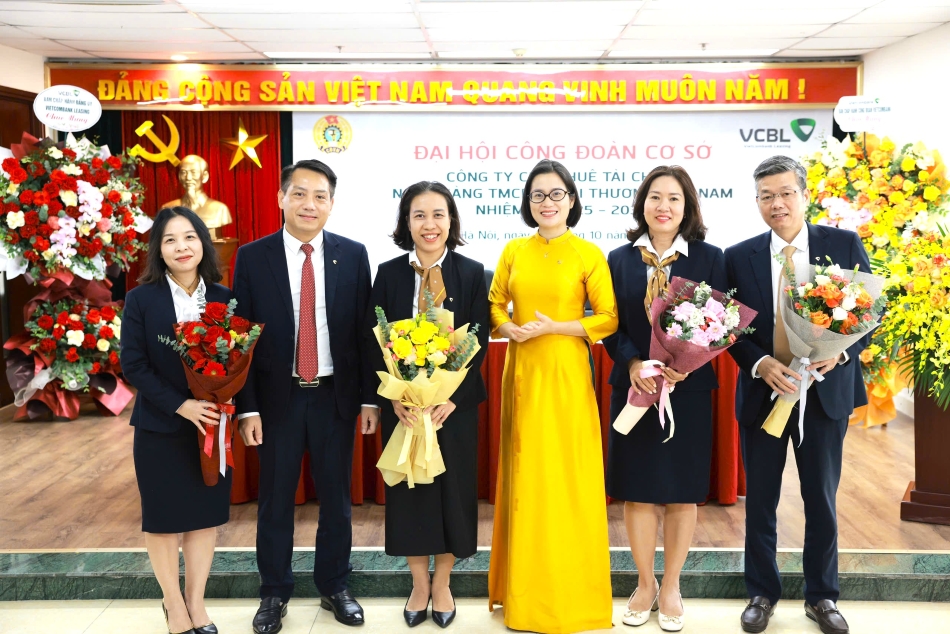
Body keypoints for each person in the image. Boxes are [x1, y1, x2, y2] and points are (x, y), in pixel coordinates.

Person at [233, 159, 381, 634]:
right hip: (277, 400)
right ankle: (274, 592)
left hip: (335, 396)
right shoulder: (252, 257)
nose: (309, 204)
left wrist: (370, 399)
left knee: (337, 500)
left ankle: (334, 585)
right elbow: (242, 338)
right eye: (299, 194)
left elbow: (364, 333)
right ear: (281, 198)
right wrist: (247, 406)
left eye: (320, 196)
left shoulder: (352, 254)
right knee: (275, 500)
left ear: (332, 204)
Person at [726, 156, 870, 634]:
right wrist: (759, 363)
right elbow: (731, 329)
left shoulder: (842, 244)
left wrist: (841, 354)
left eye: (786, 193)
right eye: (767, 196)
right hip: (765, 393)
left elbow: (870, 314)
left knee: (821, 499)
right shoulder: (738, 256)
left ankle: (822, 596)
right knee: (761, 501)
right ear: (757, 202)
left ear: (804, 196)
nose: (778, 203)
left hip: (824, 396)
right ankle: (761, 593)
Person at [487, 159, 618, 633]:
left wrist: (556, 327)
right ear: (528, 202)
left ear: (572, 200)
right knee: (527, 477)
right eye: (538, 195)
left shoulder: (588, 253)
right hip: (523, 370)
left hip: (566, 374)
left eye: (556, 194)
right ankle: (524, 600)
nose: (547, 203)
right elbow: (494, 304)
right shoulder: (513, 250)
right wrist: (509, 329)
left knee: (568, 478)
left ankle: (573, 597)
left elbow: (608, 318)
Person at [604, 165, 726, 632]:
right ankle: (644, 583)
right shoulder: (619, 259)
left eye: (674, 198)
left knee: (681, 491)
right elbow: (610, 324)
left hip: (687, 390)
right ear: (642, 204)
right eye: (655, 197)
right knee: (637, 490)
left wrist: (688, 363)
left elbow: (720, 323)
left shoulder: (710, 258)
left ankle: (672, 585)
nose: (664, 206)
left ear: (687, 206)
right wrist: (634, 363)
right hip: (635, 388)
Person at [366, 181, 489, 628]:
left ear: (451, 220)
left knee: (453, 495)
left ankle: (443, 584)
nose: (429, 224)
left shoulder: (473, 273)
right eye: (419, 215)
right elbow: (372, 340)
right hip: (405, 409)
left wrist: (452, 398)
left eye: (438, 214)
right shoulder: (388, 273)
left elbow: (478, 343)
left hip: (451, 410)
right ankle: (419, 584)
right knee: (410, 496)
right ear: (407, 222)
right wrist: (394, 400)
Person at [122, 206, 232, 634]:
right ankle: (173, 603)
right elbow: (133, 364)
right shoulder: (141, 299)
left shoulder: (224, 298)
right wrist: (180, 405)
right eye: (170, 240)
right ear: (158, 250)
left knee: (204, 517)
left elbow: (237, 359)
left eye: (189, 237)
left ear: (203, 242)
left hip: (211, 426)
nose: (181, 247)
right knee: (164, 520)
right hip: (160, 426)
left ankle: (196, 603)